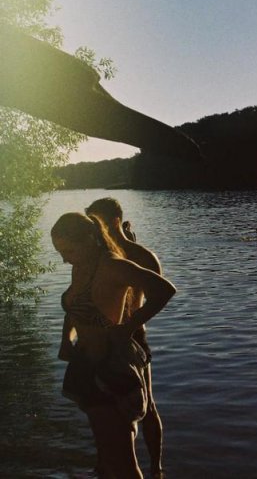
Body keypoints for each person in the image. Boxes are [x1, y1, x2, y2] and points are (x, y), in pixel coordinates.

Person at [52, 212, 175, 479]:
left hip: (111, 370)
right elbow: (74, 308)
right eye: (60, 252)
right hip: (86, 366)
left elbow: (164, 290)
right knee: (109, 459)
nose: (64, 258)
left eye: (68, 250)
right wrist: (66, 340)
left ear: (89, 239)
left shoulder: (112, 266)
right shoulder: (81, 266)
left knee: (122, 463)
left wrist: (128, 327)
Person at [86, 197, 166, 478]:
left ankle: (155, 468)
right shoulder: (95, 257)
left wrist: (129, 326)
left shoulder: (142, 256)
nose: (96, 229)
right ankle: (108, 462)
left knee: (147, 406)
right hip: (102, 343)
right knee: (109, 408)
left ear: (115, 221)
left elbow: (159, 296)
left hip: (133, 341)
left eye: (100, 221)